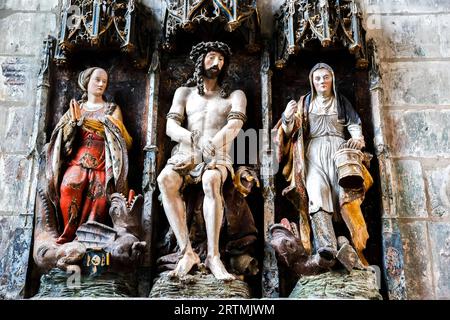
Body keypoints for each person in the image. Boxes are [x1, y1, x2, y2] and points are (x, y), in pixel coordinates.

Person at [157, 41, 247, 280]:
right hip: (185, 151)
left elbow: (235, 124)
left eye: (220, 59)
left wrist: (209, 147)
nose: (216, 63)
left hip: (218, 154)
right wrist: (192, 139)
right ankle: (187, 252)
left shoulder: (235, 95)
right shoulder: (184, 93)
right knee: (165, 179)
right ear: (200, 61)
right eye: (211, 57)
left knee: (211, 180)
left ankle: (213, 256)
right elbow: (170, 126)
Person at [274, 62, 372, 265]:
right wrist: (287, 117)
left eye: (326, 77)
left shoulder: (341, 101)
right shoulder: (305, 103)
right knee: (317, 193)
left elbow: (354, 123)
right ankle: (326, 246)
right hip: (312, 154)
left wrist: (358, 138)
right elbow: (290, 131)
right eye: (318, 78)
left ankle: (353, 248)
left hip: (339, 152)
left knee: (344, 198)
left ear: (332, 79)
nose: (322, 81)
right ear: (312, 81)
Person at [46, 67, 132, 244]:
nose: (101, 84)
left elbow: (122, 137)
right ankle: (69, 235)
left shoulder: (111, 109)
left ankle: (89, 241)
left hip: (101, 164)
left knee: (99, 199)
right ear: (87, 82)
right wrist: (72, 123)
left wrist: (86, 122)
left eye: (104, 81)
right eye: (97, 80)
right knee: (67, 187)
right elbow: (62, 138)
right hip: (78, 161)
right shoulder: (76, 108)